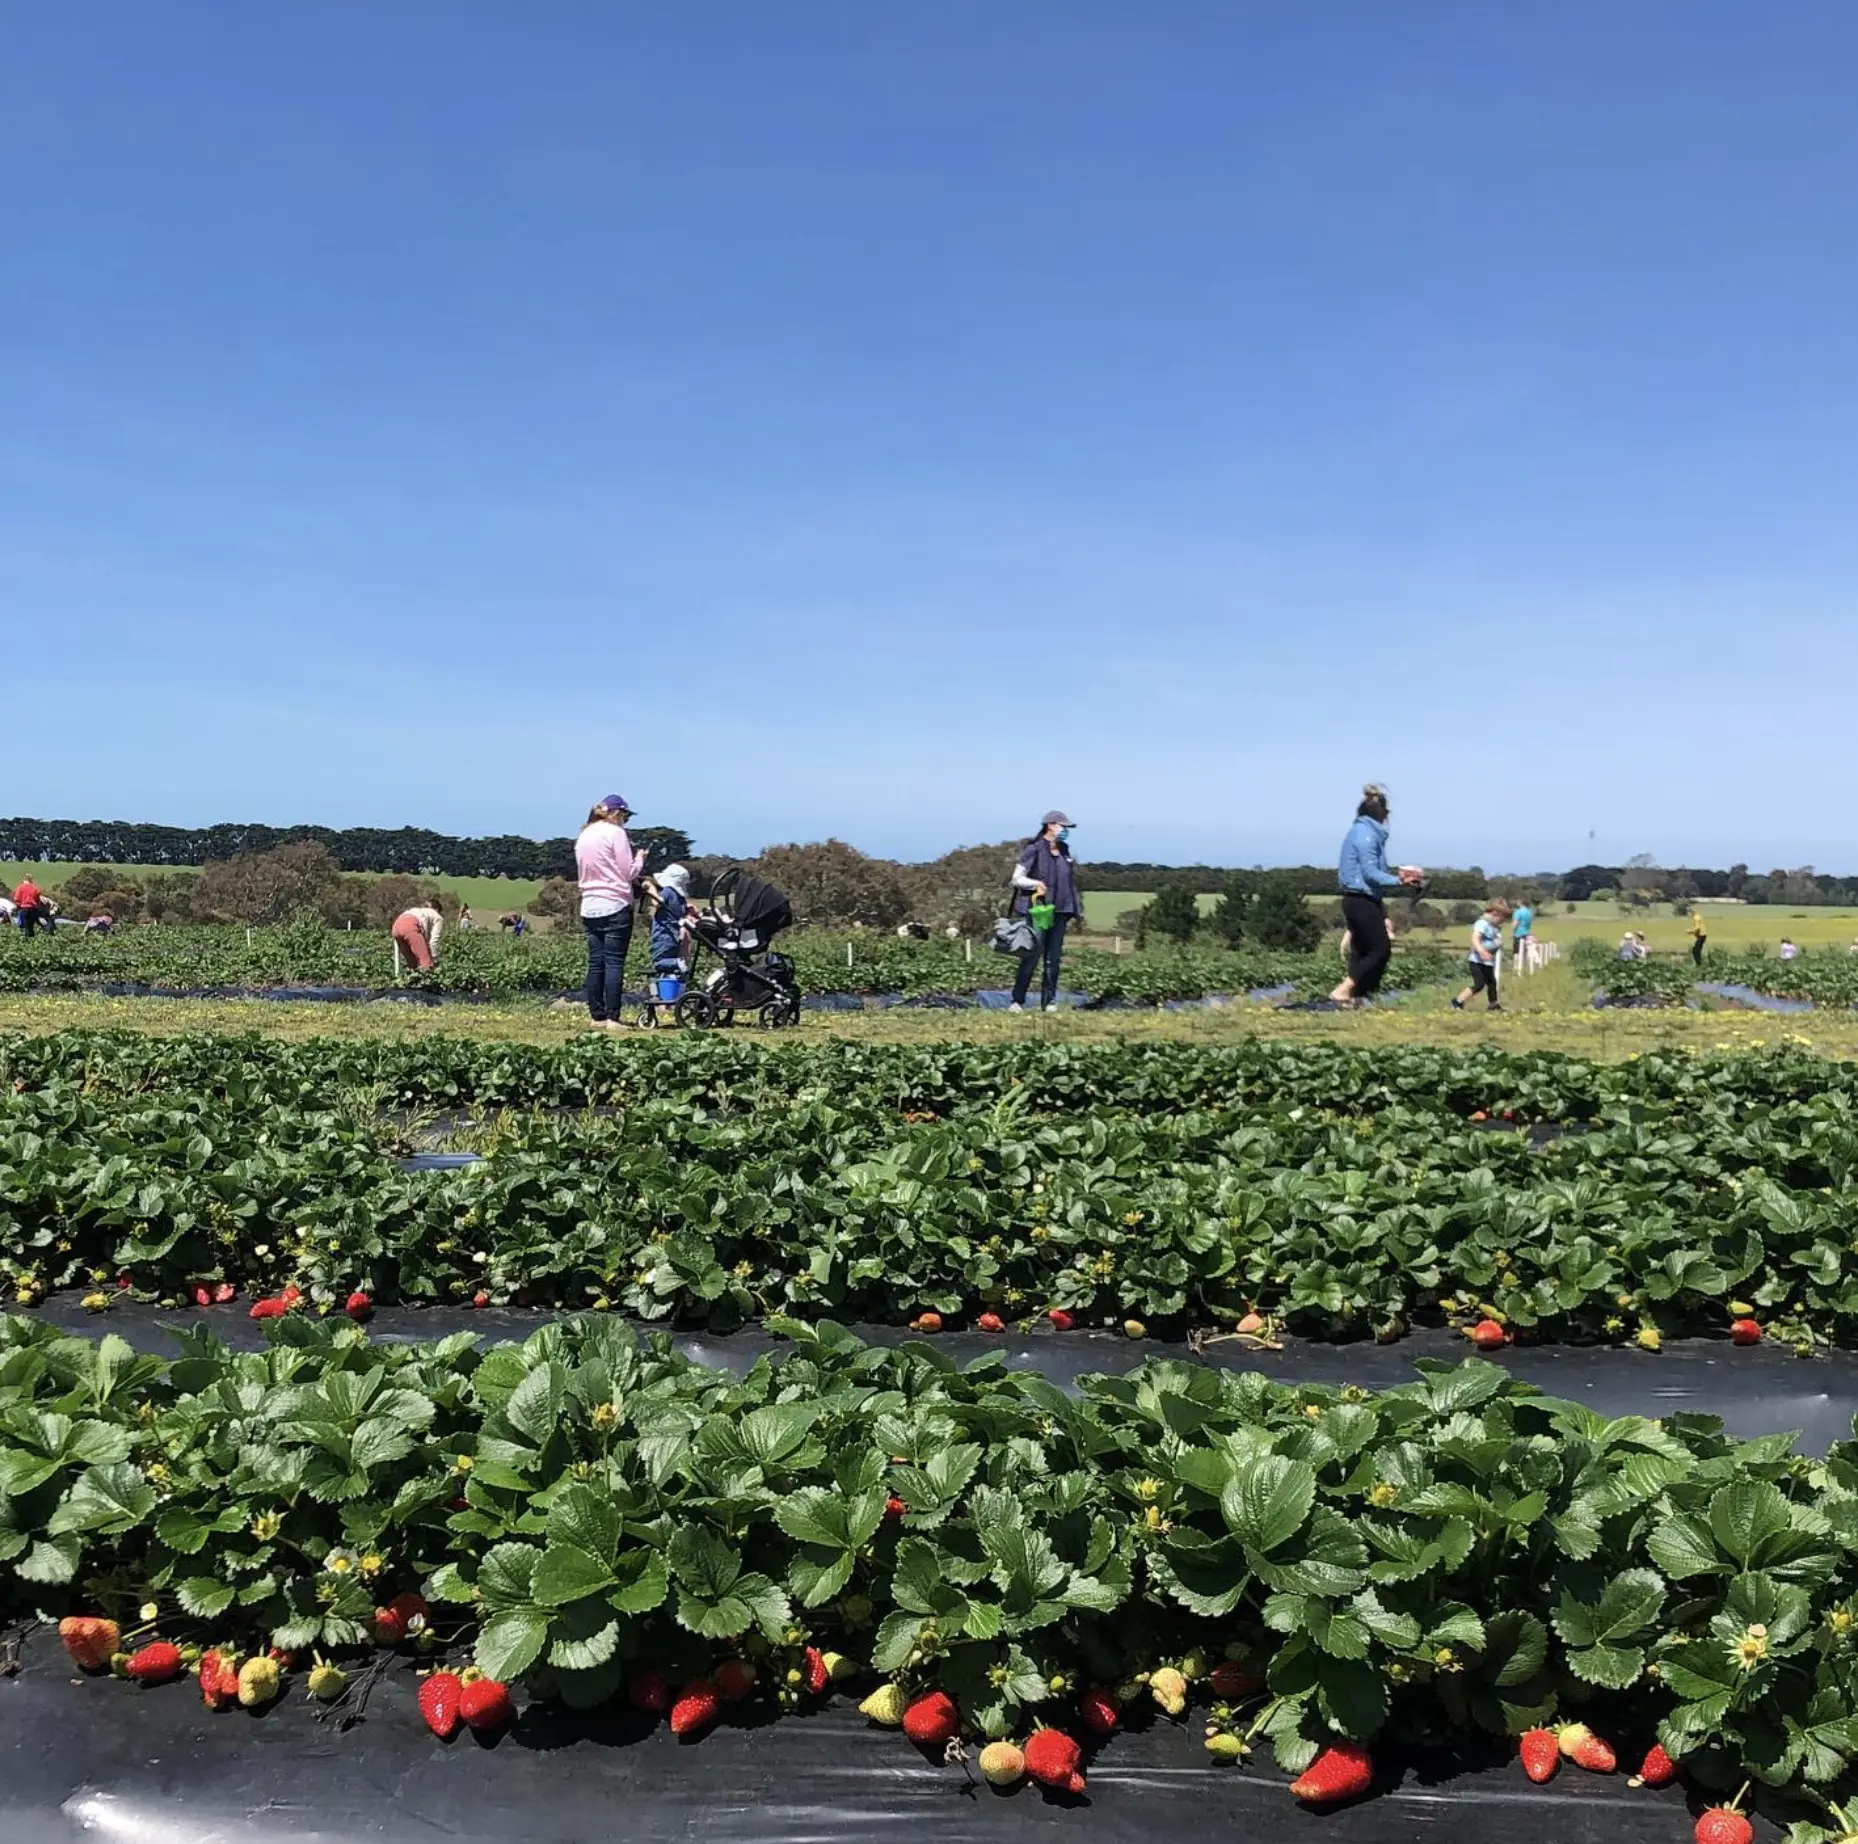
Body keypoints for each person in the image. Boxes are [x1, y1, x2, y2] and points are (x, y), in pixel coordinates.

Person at [1332, 784, 1423, 1006]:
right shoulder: (1367, 837)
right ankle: (1343, 991)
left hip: (1360, 898)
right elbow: (1371, 874)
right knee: (1380, 950)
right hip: (1360, 899)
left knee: (1361, 951)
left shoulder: (1360, 832)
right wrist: (1400, 881)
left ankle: (1356, 998)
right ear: (1384, 815)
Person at [575, 794, 645, 1028]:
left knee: (596, 963)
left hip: (590, 904)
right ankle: (613, 1018)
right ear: (617, 813)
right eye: (625, 816)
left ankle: (597, 1016)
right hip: (615, 903)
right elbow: (628, 873)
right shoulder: (616, 833)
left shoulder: (584, 834)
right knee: (614, 962)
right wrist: (640, 859)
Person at [1009, 811, 1082, 1013]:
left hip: (1061, 910)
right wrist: (1035, 884)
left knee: (1053, 959)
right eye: (1063, 826)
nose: (1066, 830)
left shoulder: (1065, 850)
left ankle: (1049, 1001)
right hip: (1038, 910)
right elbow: (1017, 878)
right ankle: (1017, 1000)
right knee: (1032, 955)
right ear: (1050, 825)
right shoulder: (1034, 849)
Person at [1452, 901, 1509, 1012]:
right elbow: (1475, 938)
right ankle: (1457, 1002)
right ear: (1494, 913)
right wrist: (1481, 951)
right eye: (1502, 917)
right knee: (1479, 984)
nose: (1503, 920)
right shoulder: (1482, 923)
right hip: (1477, 961)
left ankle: (1493, 1005)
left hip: (1487, 961)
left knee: (1492, 983)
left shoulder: (1494, 926)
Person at [647, 863, 695, 983]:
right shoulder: (681, 898)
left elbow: (657, 902)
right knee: (668, 968)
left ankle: (680, 963)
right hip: (675, 934)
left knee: (659, 962)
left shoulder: (668, 891)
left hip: (663, 933)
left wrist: (650, 888)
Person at [391, 898, 445, 971]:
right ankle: (428, 981)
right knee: (426, 964)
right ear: (437, 910)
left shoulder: (417, 911)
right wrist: (434, 958)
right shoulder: (438, 917)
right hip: (410, 927)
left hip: (396, 927)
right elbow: (433, 941)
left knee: (412, 964)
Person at [1510, 899, 1534, 971]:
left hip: (1518, 934)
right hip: (1527, 934)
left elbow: (1515, 923)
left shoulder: (1518, 912)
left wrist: (1512, 931)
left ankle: (1516, 968)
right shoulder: (1530, 912)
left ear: (1520, 902)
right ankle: (1524, 967)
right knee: (1524, 952)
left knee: (1516, 952)